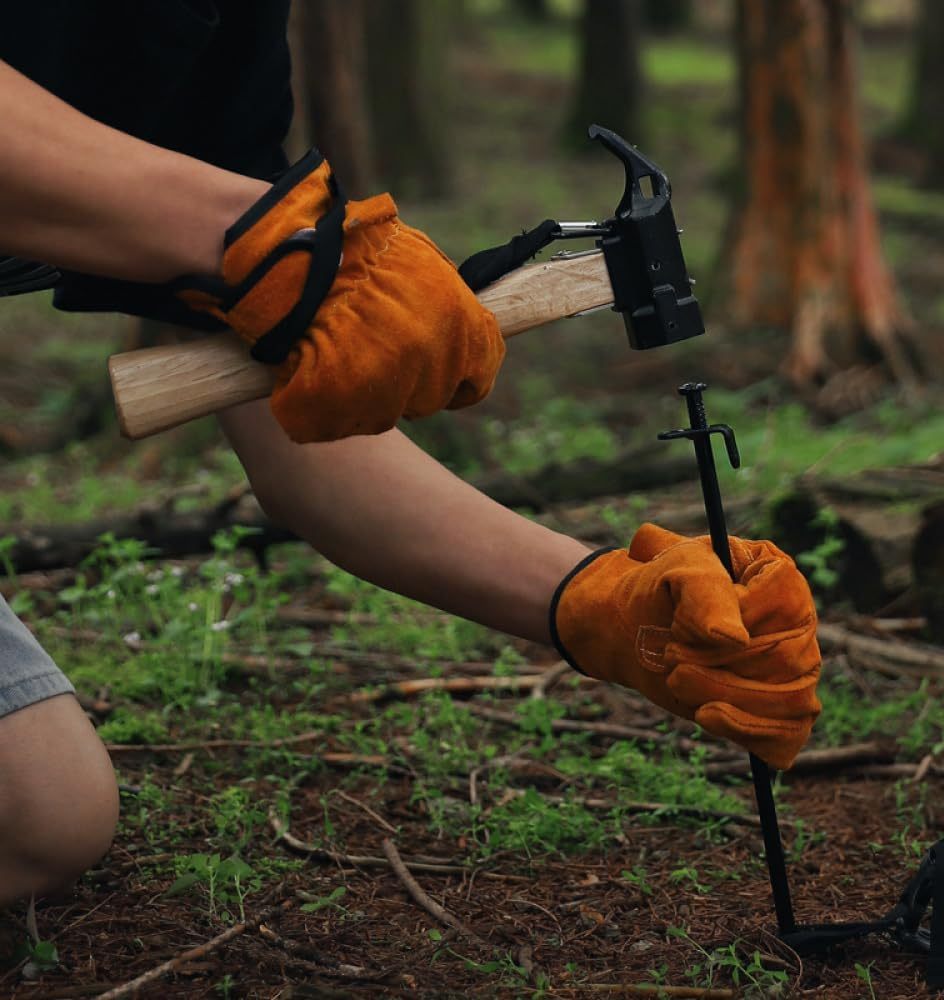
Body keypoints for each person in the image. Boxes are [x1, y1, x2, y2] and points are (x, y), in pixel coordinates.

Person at [0, 3, 821, 908]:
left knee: (39, 819)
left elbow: (303, 439)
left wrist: (593, 598)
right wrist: (258, 236)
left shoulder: (211, 27)